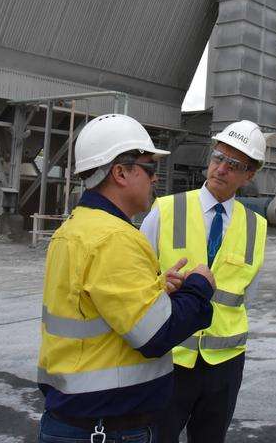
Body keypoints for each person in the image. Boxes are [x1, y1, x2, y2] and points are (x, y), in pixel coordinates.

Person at [37, 113, 216, 443]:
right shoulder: (115, 239)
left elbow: (96, 307)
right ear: (120, 172)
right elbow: (157, 336)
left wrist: (157, 290)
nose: (155, 180)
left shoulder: (75, 229)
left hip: (75, 418)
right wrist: (199, 286)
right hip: (108, 428)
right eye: (150, 169)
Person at [140, 120, 269, 443]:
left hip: (224, 364)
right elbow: (136, 280)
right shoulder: (165, 209)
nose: (221, 169)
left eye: (234, 164)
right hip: (170, 355)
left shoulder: (256, 226)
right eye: (217, 158)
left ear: (249, 174)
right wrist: (159, 284)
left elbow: (244, 295)